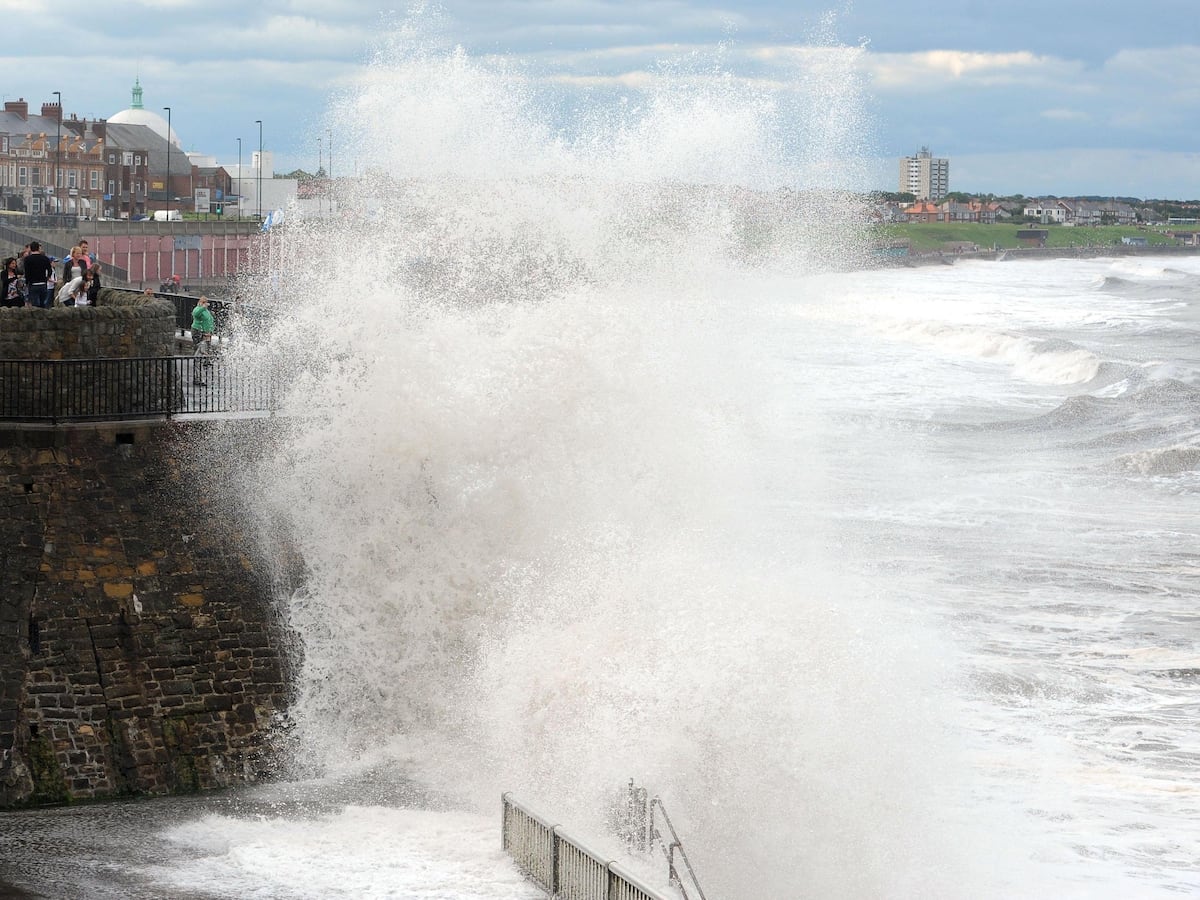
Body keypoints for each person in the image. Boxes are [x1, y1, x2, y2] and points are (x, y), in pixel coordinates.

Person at [190, 296, 215, 385]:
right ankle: (197, 378)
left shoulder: (206, 311)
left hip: (206, 334)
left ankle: (199, 375)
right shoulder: (198, 309)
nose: (205, 303)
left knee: (202, 353)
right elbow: (195, 314)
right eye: (203, 302)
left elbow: (210, 320)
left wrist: (211, 331)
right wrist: (202, 308)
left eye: (206, 302)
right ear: (200, 302)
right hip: (198, 333)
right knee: (199, 355)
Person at [23, 242, 53, 309]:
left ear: (31, 248)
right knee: (43, 304)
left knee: (34, 305)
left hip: (33, 284)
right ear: (38, 248)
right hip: (43, 283)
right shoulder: (45, 258)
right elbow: (50, 270)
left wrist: (27, 282)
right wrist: (47, 278)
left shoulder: (27, 259)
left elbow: (27, 272)